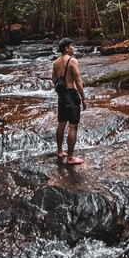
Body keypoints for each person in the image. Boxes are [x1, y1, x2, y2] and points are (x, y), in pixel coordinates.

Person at [51, 37, 87, 165]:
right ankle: (70, 157)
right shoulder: (72, 61)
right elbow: (78, 82)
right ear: (66, 48)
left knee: (61, 123)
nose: (73, 48)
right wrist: (83, 98)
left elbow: (54, 80)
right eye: (72, 46)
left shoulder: (55, 63)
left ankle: (60, 151)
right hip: (71, 95)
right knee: (73, 126)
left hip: (62, 96)